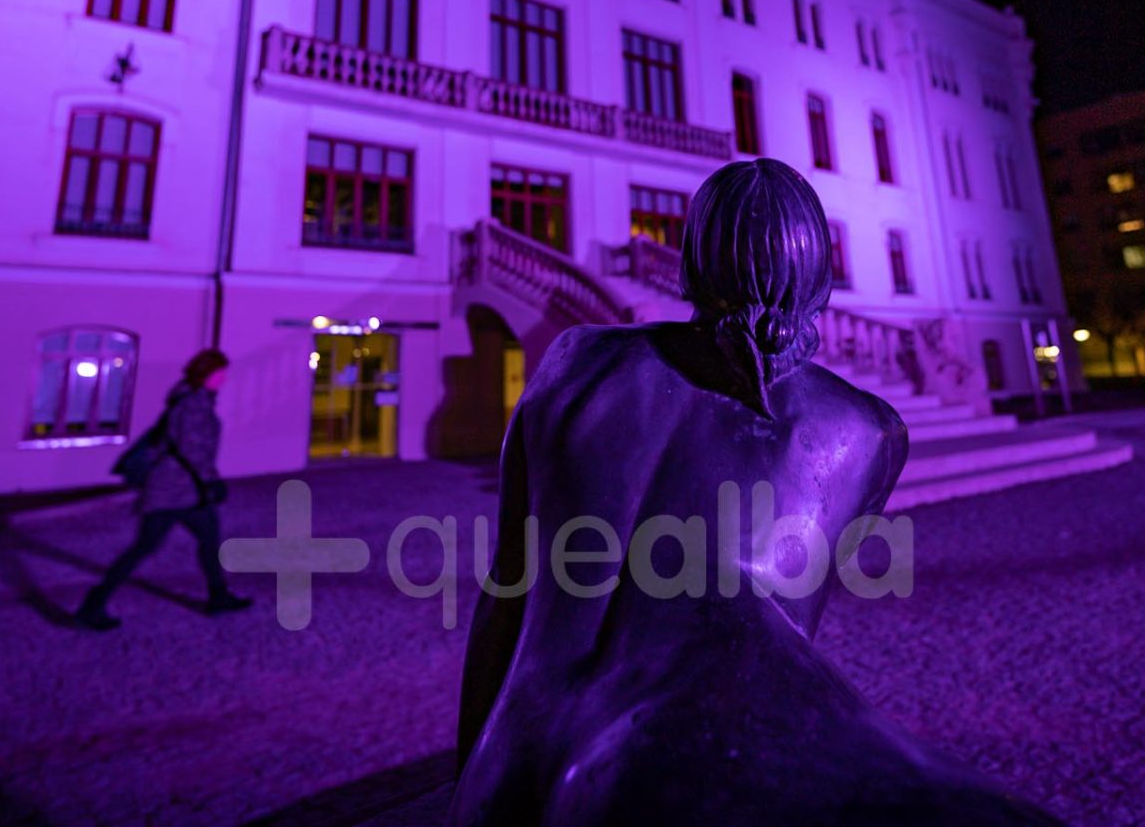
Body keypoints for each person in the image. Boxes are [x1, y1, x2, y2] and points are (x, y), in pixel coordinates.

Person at [449, 159, 1063, 825]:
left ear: (691, 262)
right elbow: (796, 627)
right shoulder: (866, 431)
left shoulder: (575, 362)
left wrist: (470, 782)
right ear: (819, 273)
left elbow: (503, 594)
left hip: (522, 758)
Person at [75, 348, 252, 630]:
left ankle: (218, 596)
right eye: (220, 373)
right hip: (173, 491)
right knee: (145, 547)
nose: (224, 378)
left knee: (207, 540)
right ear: (205, 374)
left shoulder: (193, 399)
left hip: (184, 490)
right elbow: (192, 450)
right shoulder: (193, 404)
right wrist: (211, 481)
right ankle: (93, 605)